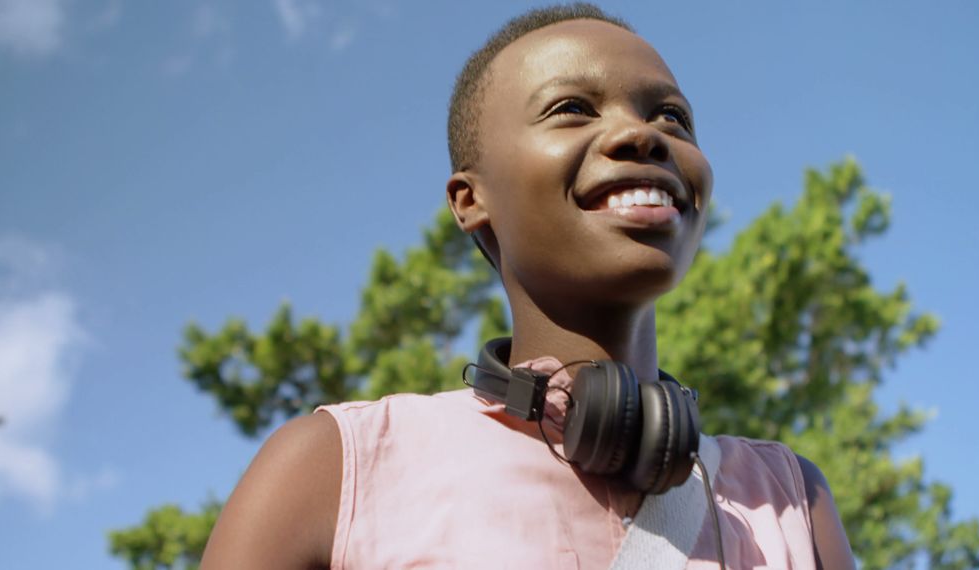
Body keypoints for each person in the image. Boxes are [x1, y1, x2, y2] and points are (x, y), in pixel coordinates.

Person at [201, 4, 856, 569]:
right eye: (572, 109)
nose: (641, 135)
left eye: (672, 118)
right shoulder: (328, 470)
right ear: (471, 199)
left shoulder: (792, 499)